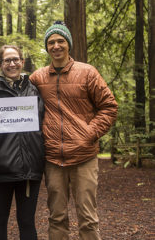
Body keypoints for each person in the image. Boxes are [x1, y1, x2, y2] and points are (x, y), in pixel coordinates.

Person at [30, 21, 118, 240]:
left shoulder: (87, 73)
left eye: (61, 41)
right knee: (57, 217)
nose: (56, 46)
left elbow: (109, 107)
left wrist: (88, 134)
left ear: (68, 44)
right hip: (53, 159)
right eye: (51, 42)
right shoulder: (38, 78)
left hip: (84, 157)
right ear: (47, 47)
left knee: (88, 217)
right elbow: (19, 102)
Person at [0, 45, 45, 240]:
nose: (12, 63)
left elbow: (43, 124)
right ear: (1, 64)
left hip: (29, 169)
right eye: (7, 60)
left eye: (15, 59)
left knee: (27, 221)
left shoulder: (35, 91)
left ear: (22, 62)